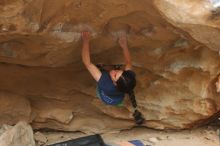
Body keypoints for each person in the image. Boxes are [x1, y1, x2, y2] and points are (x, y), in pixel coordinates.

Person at [81, 31, 144, 125]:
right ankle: (118, 102)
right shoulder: (129, 77)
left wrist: (86, 40)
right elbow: (128, 62)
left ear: (114, 83)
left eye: (115, 75)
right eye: (119, 71)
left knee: (101, 72)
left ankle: (101, 68)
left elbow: (87, 63)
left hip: (103, 96)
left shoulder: (105, 83)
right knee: (112, 74)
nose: (114, 72)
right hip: (117, 100)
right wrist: (124, 45)